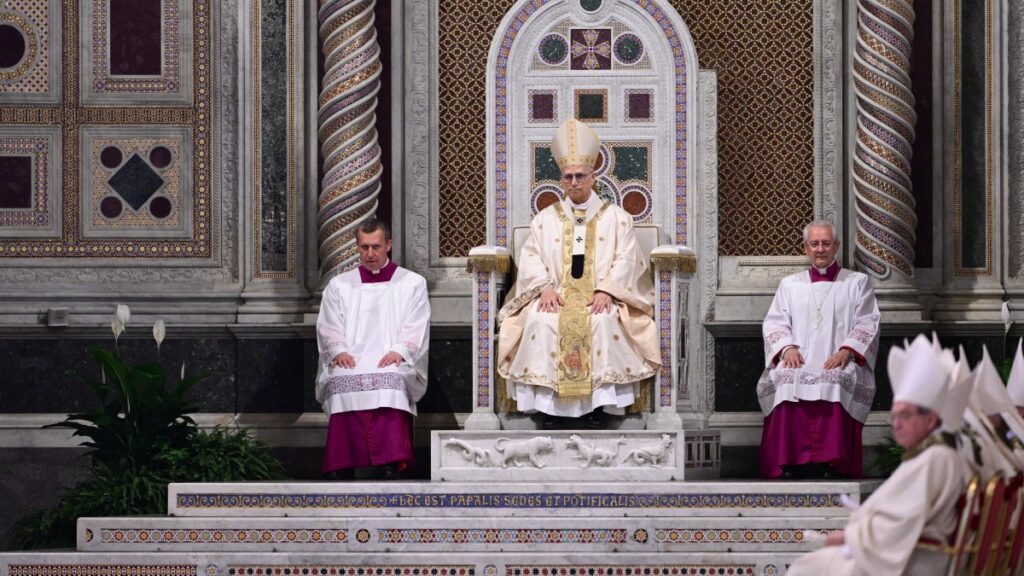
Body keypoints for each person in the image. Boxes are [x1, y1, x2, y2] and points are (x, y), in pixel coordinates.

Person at [496, 118, 659, 429]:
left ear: (593, 176)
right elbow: (531, 256)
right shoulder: (545, 219)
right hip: (556, 295)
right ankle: (547, 409)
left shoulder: (617, 218)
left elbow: (627, 259)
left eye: (580, 176)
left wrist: (608, 290)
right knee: (541, 321)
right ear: (562, 180)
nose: (573, 182)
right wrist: (543, 287)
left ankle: (596, 409)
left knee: (603, 322)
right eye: (568, 176)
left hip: (600, 297)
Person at [787, 334, 969, 576]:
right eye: (894, 417)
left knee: (807, 567)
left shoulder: (934, 458)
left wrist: (849, 537)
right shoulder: (939, 452)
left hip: (914, 560)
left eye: (905, 416)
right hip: (913, 552)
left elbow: (902, 522)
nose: (897, 425)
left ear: (930, 419)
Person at [757, 220, 880, 478]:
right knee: (785, 379)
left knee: (836, 381)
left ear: (836, 246)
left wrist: (847, 351)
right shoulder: (790, 285)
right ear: (805, 248)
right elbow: (774, 321)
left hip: (839, 358)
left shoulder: (857, 282)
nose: (820, 249)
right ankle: (790, 462)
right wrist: (786, 348)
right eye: (814, 244)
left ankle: (833, 463)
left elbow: (868, 321)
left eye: (826, 243)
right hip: (798, 359)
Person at [315, 219, 430, 479]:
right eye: (364, 247)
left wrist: (400, 350)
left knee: (392, 380)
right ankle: (342, 464)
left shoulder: (411, 283)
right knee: (341, 379)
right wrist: (338, 352)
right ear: (357, 248)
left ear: (388, 245)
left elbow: (417, 323)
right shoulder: (340, 285)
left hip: (390, 356)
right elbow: (328, 325)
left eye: (376, 247)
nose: (369, 254)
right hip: (351, 357)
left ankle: (392, 463)